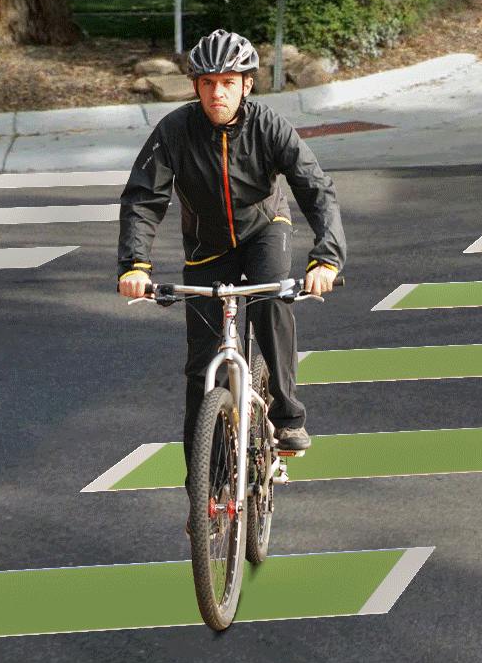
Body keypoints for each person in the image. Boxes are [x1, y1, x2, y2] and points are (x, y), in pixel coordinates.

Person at [116, 30, 347, 455]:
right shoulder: (174, 131)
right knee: (202, 371)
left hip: (265, 229)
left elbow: (316, 189)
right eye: (207, 83)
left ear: (246, 85)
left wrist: (326, 259)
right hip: (207, 245)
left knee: (269, 304)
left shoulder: (268, 126)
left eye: (227, 82)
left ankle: (287, 416)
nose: (217, 93)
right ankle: (204, 484)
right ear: (195, 86)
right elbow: (143, 199)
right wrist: (135, 265)